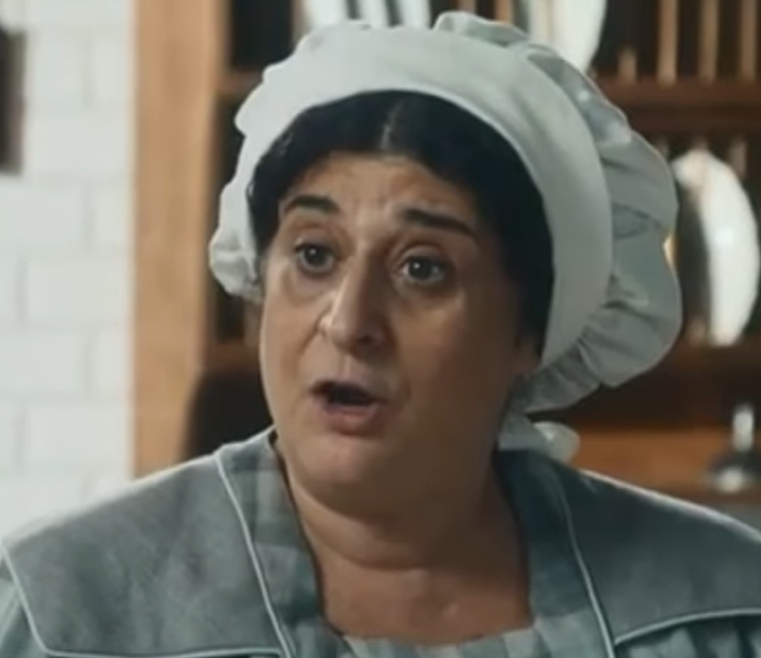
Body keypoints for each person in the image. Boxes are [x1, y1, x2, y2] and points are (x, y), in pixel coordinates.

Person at [2, 12, 761, 658]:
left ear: (530, 331)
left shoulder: (718, 613)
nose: (348, 321)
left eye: (422, 269)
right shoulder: (68, 614)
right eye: (313, 255)